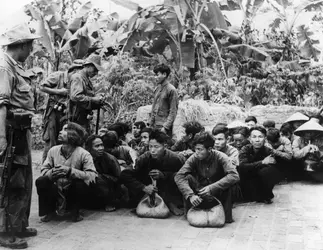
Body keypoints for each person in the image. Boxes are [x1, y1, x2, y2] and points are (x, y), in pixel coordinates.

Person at [0, 23, 40, 249]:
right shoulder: (4, 67)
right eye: (31, 44)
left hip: (21, 132)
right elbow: (1, 106)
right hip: (10, 132)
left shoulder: (16, 66)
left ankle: (19, 224)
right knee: (9, 181)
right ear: (22, 45)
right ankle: (4, 231)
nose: (32, 49)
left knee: (23, 180)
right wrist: (2, 138)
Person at [36, 123, 97, 223]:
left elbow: (92, 176)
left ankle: (75, 212)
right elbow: (44, 169)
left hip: (72, 190)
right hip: (56, 187)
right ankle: (49, 212)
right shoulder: (53, 150)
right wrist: (52, 173)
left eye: (65, 129)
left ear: (74, 134)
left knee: (80, 184)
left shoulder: (84, 154)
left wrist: (70, 171)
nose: (60, 131)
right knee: (41, 181)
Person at [175, 132, 239, 223]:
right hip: (201, 192)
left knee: (231, 184)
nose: (197, 152)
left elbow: (234, 176)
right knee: (187, 177)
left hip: (218, 193)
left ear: (209, 149)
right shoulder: (194, 157)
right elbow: (179, 176)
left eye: (200, 149)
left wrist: (212, 188)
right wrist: (190, 195)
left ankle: (226, 215)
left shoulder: (221, 157)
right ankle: (191, 211)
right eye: (195, 149)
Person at [120, 129, 184, 215]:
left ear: (164, 146)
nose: (152, 150)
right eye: (150, 146)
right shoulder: (144, 158)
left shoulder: (175, 158)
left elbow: (184, 176)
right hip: (147, 188)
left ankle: (170, 203)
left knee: (178, 177)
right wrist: (143, 187)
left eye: (156, 147)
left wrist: (164, 175)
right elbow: (125, 174)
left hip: (168, 190)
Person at [40, 62, 83, 162]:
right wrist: (59, 91)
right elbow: (42, 87)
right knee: (50, 140)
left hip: (66, 114)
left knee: (64, 140)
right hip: (53, 113)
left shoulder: (76, 81)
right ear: (74, 70)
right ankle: (46, 169)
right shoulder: (58, 75)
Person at [238, 126, 284, 204]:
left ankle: (266, 194)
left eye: (260, 137)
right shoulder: (245, 149)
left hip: (260, 180)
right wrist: (262, 162)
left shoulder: (268, 151)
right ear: (250, 139)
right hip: (247, 179)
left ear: (265, 139)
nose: (257, 140)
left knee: (269, 171)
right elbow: (242, 167)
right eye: (254, 137)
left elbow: (274, 170)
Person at [69, 54, 105, 133]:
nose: (96, 73)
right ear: (88, 66)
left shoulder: (86, 79)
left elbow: (88, 94)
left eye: (97, 71)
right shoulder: (78, 77)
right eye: (95, 70)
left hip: (83, 117)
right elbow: (75, 96)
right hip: (76, 118)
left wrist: (97, 96)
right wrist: (93, 99)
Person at [86, 135, 122, 212]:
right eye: (97, 146)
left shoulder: (110, 159)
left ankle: (109, 202)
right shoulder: (85, 158)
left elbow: (119, 179)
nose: (101, 148)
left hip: (111, 188)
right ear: (89, 148)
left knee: (96, 177)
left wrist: (102, 177)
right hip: (93, 188)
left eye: (102, 145)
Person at [150, 64, 179, 136]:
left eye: (157, 75)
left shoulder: (171, 90)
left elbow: (173, 111)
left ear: (164, 74)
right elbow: (154, 107)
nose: (155, 77)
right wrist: (151, 123)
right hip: (155, 125)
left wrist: (166, 127)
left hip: (163, 126)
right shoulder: (157, 88)